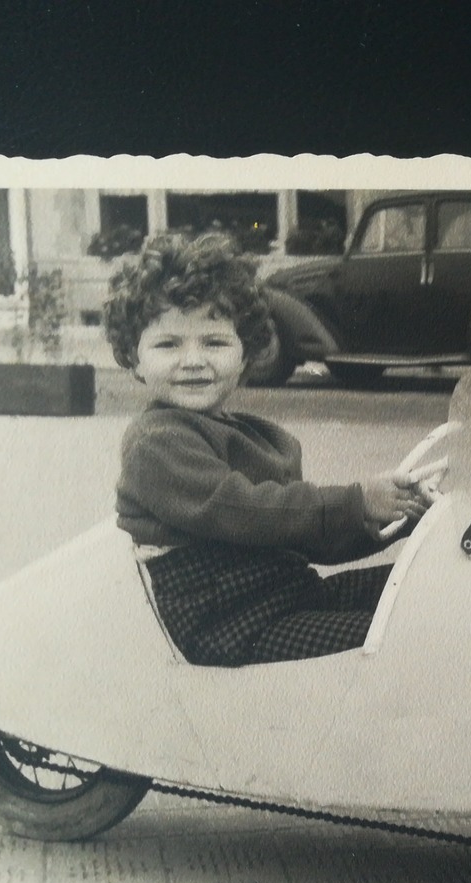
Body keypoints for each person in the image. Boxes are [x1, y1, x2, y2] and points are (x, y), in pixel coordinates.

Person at [103, 232, 426, 666]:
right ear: (134, 357)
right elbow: (244, 510)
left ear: (245, 352)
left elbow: (302, 535)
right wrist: (356, 499)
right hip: (232, 626)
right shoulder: (157, 441)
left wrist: (394, 516)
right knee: (398, 633)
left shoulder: (256, 437)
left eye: (214, 342)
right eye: (168, 344)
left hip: (288, 597)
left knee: (426, 590)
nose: (194, 360)